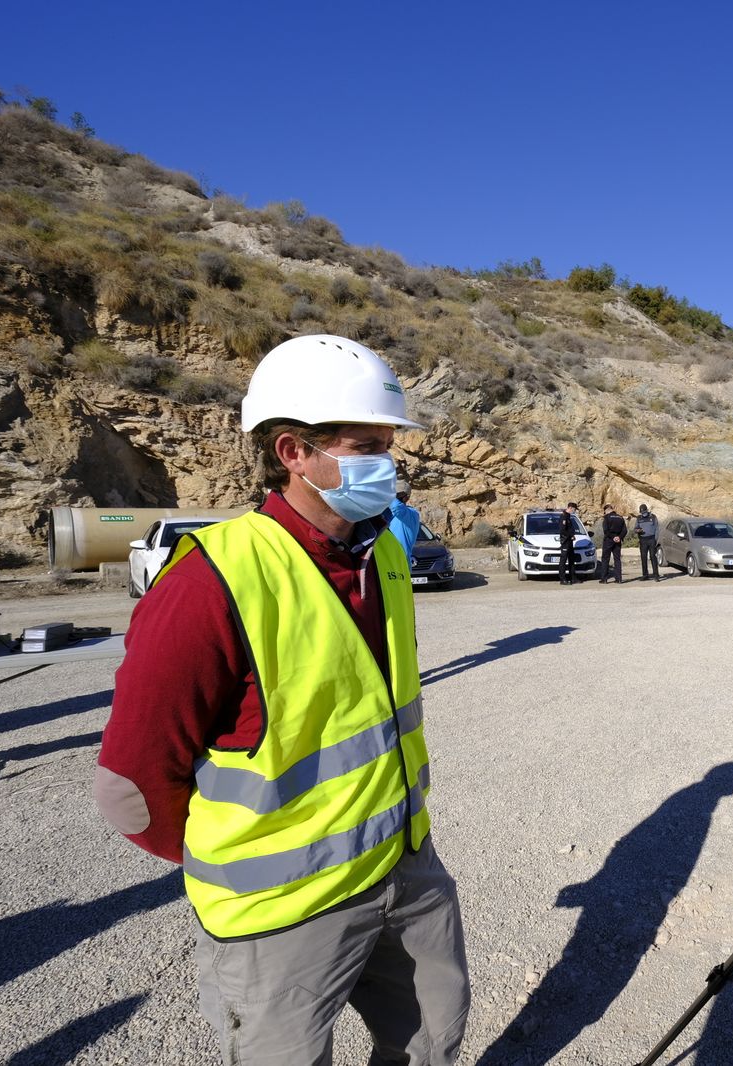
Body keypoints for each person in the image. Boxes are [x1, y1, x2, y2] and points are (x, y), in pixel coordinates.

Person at [94, 334, 470, 1066]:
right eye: (368, 446)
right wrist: (238, 865)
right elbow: (131, 787)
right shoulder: (211, 581)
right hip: (279, 915)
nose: (388, 466)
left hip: (402, 867)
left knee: (434, 1033)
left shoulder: (383, 553)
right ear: (294, 451)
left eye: (390, 447)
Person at [389, 481, 421, 563]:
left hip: (400, 564)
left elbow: (396, 507)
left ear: (407, 498)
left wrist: (389, 495)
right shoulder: (388, 513)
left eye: (397, 496)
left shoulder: (412, 514)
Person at [599, 503, 627, 584]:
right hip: (618, 541)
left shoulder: (607, 518)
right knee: (617, 559)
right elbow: (625, 530)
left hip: (609, 540)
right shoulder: (620, 517)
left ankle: (604, 579)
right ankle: (619, 579)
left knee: (605, 559)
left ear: (606, 510)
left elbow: (606, 531)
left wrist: (613, 537)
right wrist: (619, 537)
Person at [634, 503, 661, 581]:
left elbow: (657, 529)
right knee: (643, 557)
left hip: (652, 539)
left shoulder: (653, 517)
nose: (643, 513)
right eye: (642, 512)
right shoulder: (639, 518)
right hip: (643, 540)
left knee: (653, 557)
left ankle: (656, 575)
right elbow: (635, 528)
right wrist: (637, 530)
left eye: (644, 511)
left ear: (647, 510)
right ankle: (645, 575)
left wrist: (656, 539)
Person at [558, 502, 580, 585]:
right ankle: (563, 579)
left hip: (569, 541)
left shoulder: (568, 516)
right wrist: (571, 536)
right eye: (574, 509)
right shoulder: (563, 516)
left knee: (571, 560)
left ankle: (573, 578)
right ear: (570, 508)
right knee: (563, 561)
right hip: (565, 541)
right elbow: (562, 530)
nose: (574, 511)